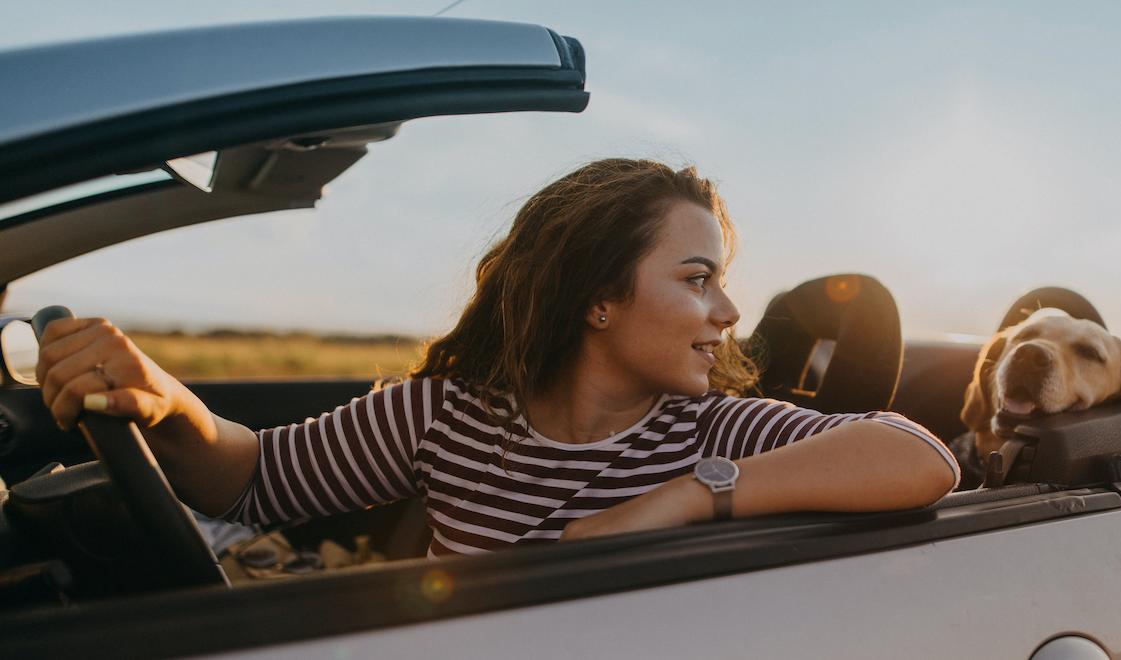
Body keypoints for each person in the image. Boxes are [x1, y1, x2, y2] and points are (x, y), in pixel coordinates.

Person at [34, 158, 959, 557]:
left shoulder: (708, 433)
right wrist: (167, 400)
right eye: (696, 279)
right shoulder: (448, 415)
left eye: (721, 280)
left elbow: (919, 455)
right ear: (598, 298)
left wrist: (682, 498)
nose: (729, 309)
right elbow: (251, 482)